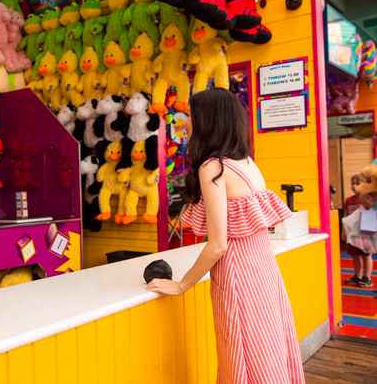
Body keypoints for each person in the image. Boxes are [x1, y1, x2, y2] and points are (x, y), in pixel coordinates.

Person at [146, 88, 304, 383]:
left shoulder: (212, 166)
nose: (186, 122)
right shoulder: (247, 162)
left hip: (237, 278)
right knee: (267, 351)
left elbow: (218, 244)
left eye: (190, 115)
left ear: (207, 119)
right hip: (265, 272)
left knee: (240, 357)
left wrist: (181, 285)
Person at [342, 174, 374, 287]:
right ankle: (357, 275)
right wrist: (344, 231)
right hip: (352, 233)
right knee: (354, 255)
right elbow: (346, 216)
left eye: (357, 183)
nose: (354, 186)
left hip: (364, 232)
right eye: (352, 183)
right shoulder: (349, 200)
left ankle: (367, 277)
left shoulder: (368, 199)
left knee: (366, 254)